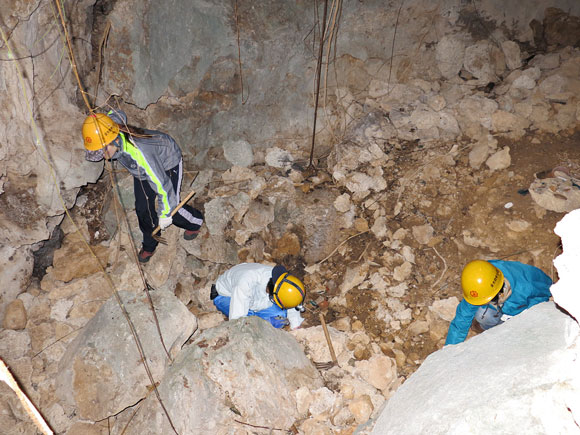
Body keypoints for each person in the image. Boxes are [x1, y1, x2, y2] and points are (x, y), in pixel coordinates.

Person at [82, 110, 204, 263]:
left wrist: (165, 214)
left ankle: (195, 221)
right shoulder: (110, 128)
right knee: (142, 208)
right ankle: (150, 243)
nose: (103, 157)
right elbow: (117, 113)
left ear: (113, 141)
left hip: (166, 161)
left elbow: (162, 185)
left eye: (102, 152)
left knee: (172, 210)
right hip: (142, 170)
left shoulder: (139, 152)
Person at [445, 259, 552, 345]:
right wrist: (448, 352)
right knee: (482, 315)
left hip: (523, 307)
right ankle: (493, 332)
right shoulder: (480, 285)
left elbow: (547, 294)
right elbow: (461, 320)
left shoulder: (525, 287)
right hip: (503, 307)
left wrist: (520, 321)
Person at [211, 263, 306, 329]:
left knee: (281, 316)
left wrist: (296, 325)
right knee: (247, 321)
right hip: (226, 297)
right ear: (270, 292)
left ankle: (258, 318)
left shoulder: (280, 281)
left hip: (256, 300)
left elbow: (291, 301)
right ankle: (258, 320)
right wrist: (264, 324)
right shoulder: (245, 284)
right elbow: (237, 322)